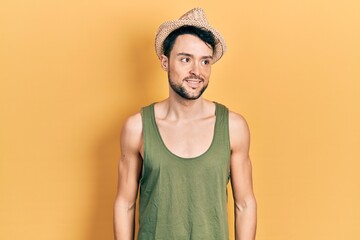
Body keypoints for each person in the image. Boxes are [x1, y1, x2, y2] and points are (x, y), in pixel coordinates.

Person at [114, 8, 257, 240]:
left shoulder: (233, 127)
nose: (196, 71)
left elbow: (245, 204)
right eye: (185, 59)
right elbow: (125, 203)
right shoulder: (137, 127)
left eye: (205, 61)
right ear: (164, 61)